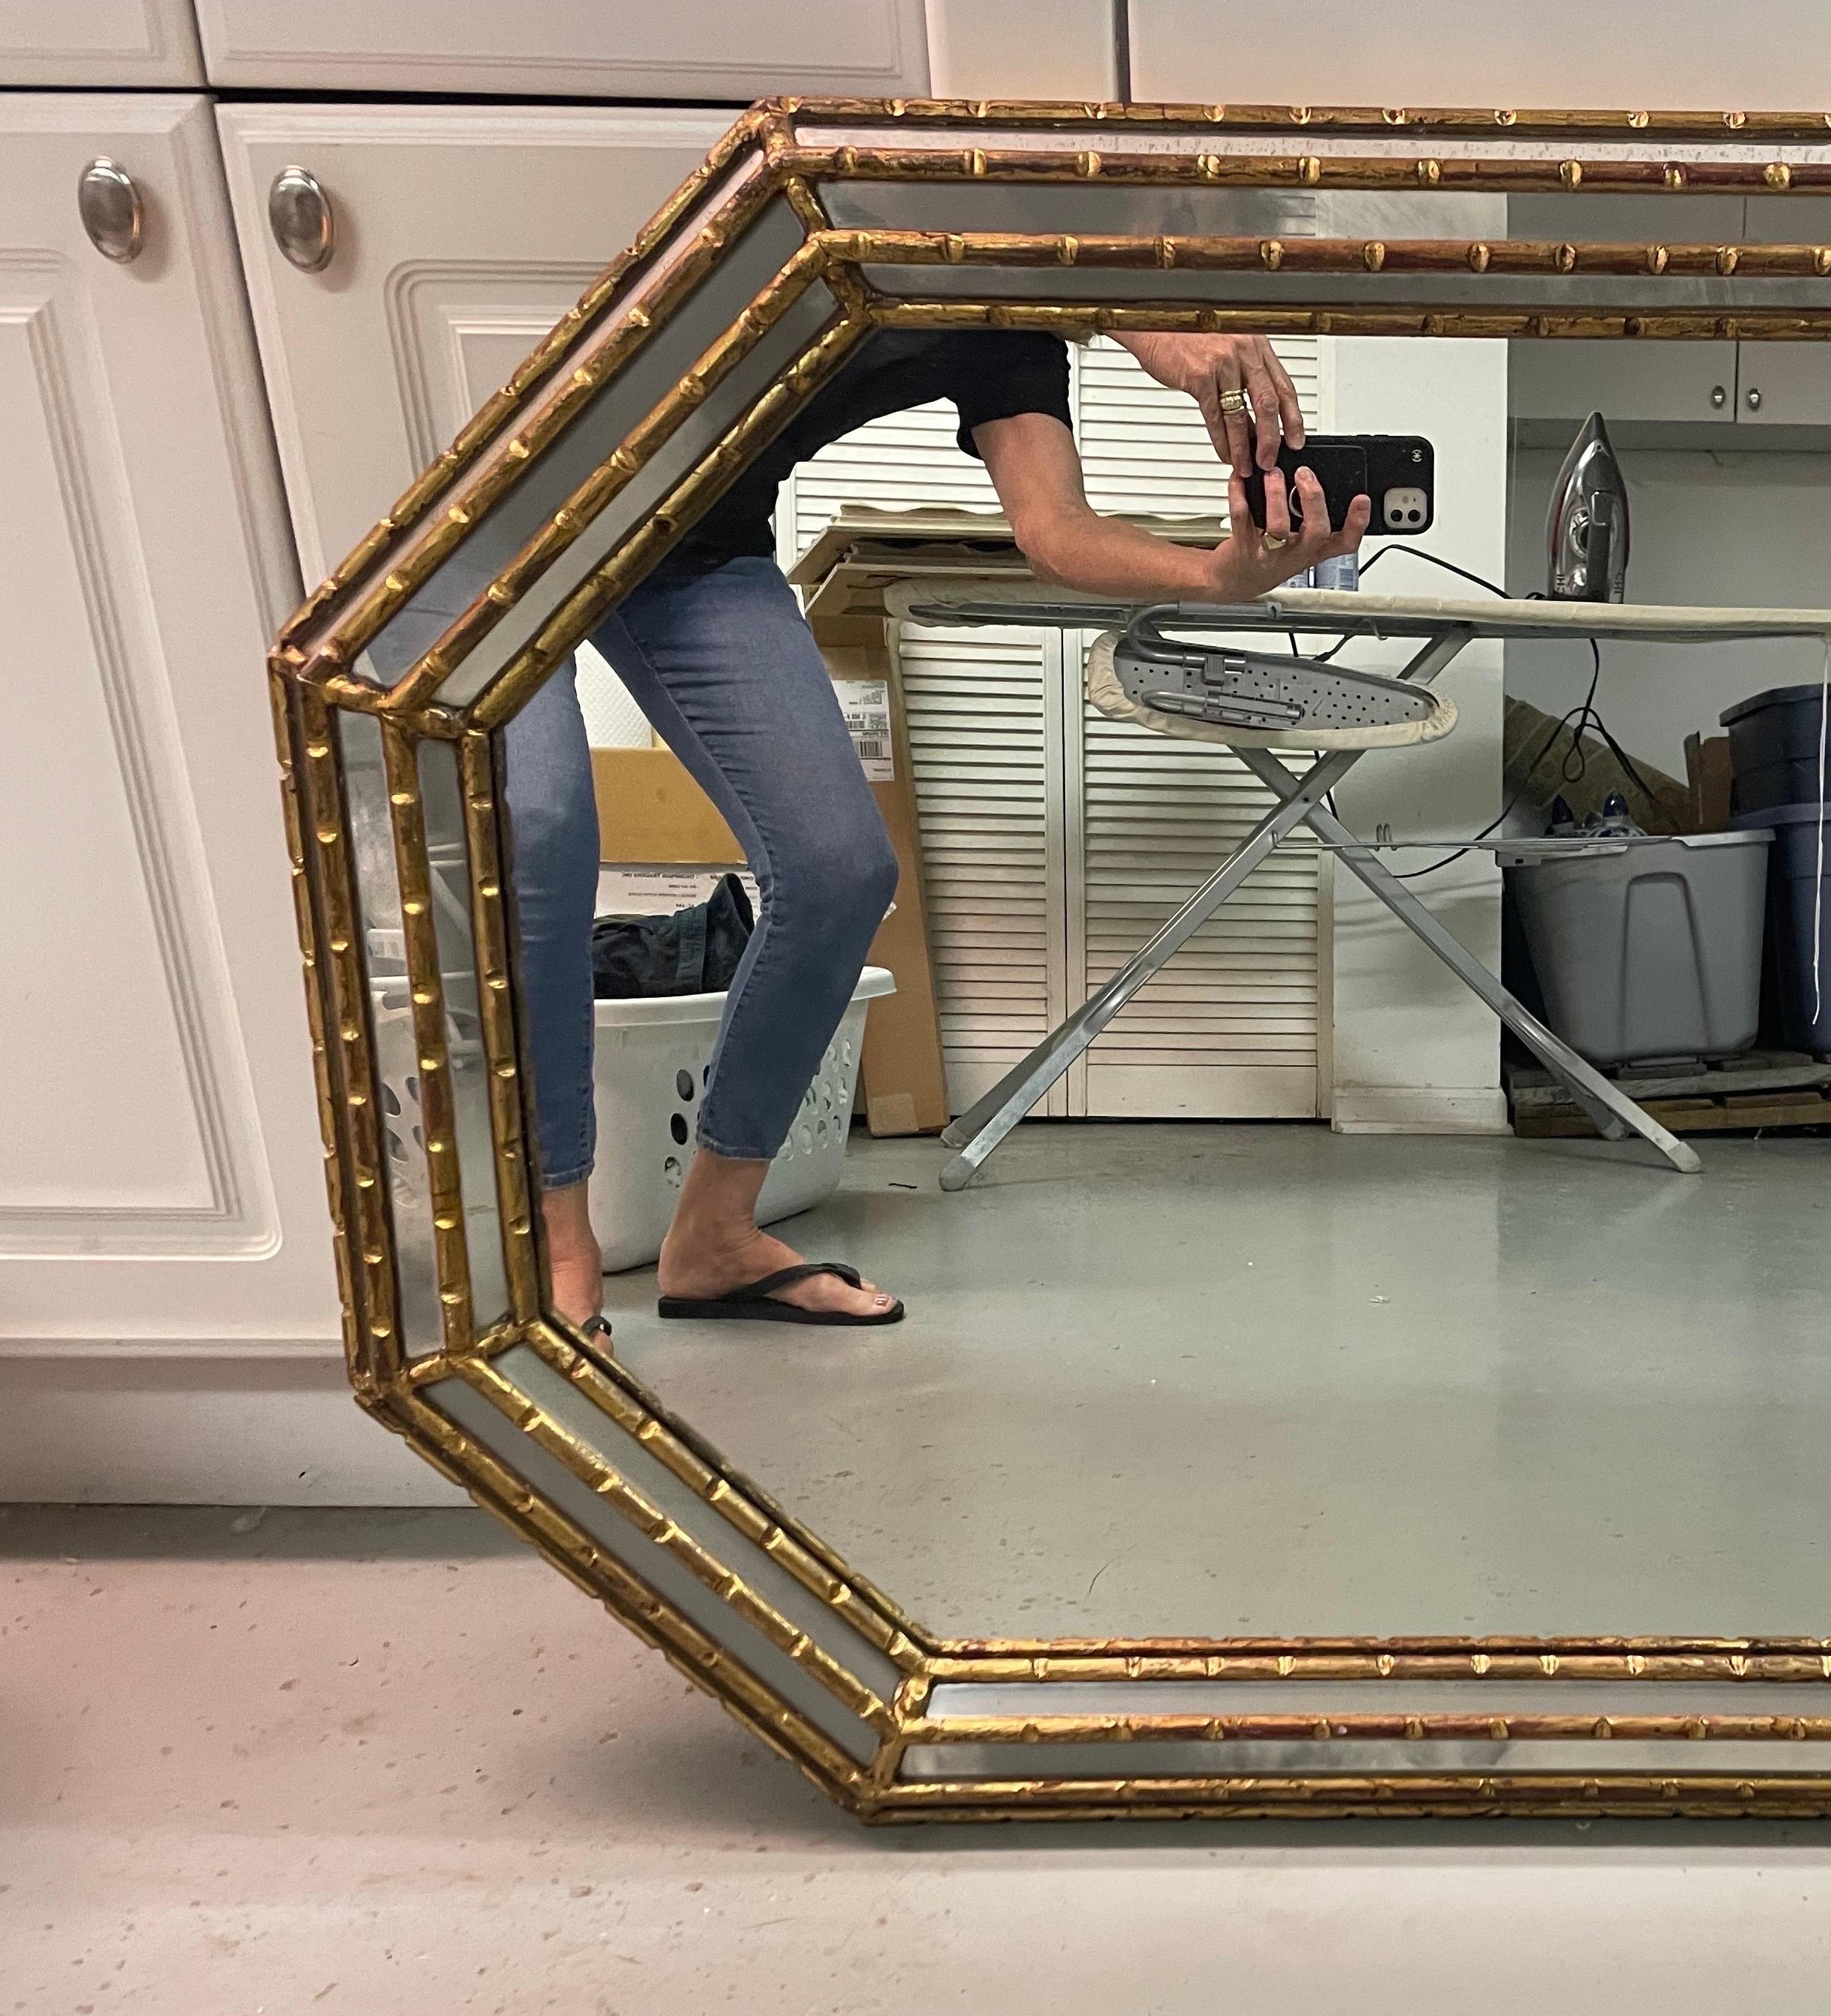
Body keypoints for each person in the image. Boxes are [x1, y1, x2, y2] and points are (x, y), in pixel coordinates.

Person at [508, 328, 1362, 1335]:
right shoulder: (914, 199)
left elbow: (1054, 531)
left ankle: (713, 1235)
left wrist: (1217, 575)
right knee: (537, 825)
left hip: (697, 550)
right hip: (515, 519)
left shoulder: (1013, 332)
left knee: (838, 872)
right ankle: (558, 1246)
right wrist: (1147, 325)